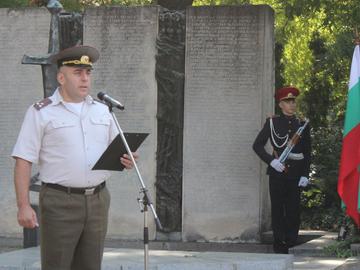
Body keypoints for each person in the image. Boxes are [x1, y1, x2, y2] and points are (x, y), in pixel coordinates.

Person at [12, 45, 137, 270]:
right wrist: (23, 205)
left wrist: (128, 159)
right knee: (57, 265)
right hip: (60, 201)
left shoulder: (102, 111)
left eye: (88, 73)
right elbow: (23, 160)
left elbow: (119, 150)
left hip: (98, 200)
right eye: (77, 73)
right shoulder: (41, 112)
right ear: (61, 77)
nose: (85, 79)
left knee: (91, 266)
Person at [252, 86, 311, 254]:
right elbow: (257, 146)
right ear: (280, 104)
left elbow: (307, 151)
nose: (292, 104)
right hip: (277, 173)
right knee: (278, 209)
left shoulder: (302, 124)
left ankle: (291, 243)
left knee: (293, 210)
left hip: (296, 175)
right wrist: (271, 161)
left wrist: (305, 174)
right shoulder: (272, 122)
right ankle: (279, 244)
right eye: (288, 101)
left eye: (293, 101)